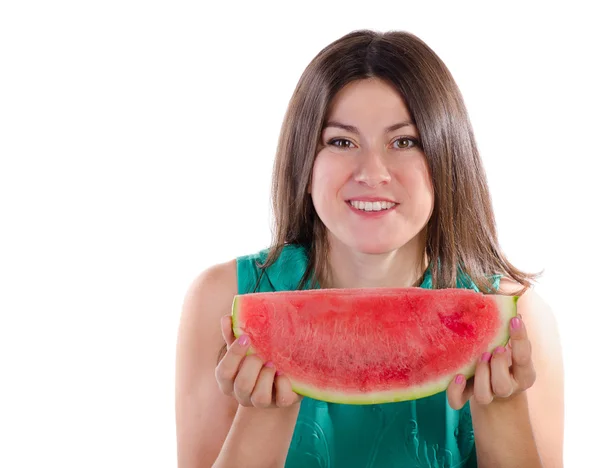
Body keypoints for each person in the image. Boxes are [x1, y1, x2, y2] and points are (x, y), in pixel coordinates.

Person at [175, 29, 564, 467]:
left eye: (405, 141)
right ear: (305, 161)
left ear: (446, 158)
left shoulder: (517, 318)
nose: (373, 172)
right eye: (341, 141)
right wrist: (262, 417)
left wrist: (501, 410)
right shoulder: (223, 299)